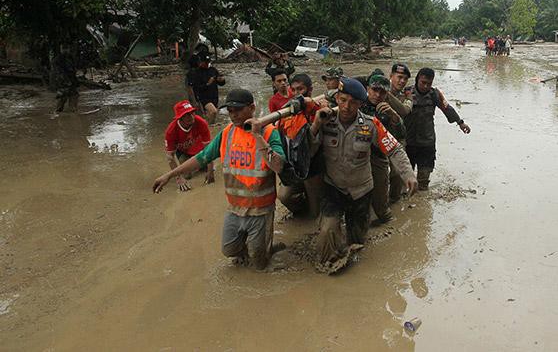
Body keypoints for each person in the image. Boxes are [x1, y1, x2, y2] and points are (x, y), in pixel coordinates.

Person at [152, 89, 286, 270]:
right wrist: (170, 175)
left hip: (260, 210)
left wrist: (257, 136)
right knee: (229, 250)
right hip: (234, 208)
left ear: (252, 108)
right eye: (230, 111)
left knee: (259, 264)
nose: (233, 115)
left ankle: (265, 250)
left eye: (237, 110)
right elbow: (202, 157)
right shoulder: (227, 134)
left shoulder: (269, 132)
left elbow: (279, 166)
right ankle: (260, 246)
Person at [311, 78, 417, 265]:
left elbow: (394, 149)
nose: (346, 107)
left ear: (360, 104)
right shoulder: (324, 121)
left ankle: (353, 264)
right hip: (333, 187)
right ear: (337, 98)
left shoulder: (371, 124)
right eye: (343, 100)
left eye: (352, 103)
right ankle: (327, 267)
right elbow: (307, 151)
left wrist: (408, 174)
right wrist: (315, 126)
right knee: (327, 231)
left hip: (360, 191)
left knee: (357, 239)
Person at [404, 68, 471, 190]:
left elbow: (447, 108)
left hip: (427, 143)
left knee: (423, 181)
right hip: (408, 142)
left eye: (428, 83)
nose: (425, 86)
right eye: (422, 82)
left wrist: (460, 123)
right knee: (405, 180)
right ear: (417, 80)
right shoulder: (406, 93)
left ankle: (422, 205)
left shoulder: (435, 94)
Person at [276, 74, 324, 220]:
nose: (297, 93)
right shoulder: (288, 112)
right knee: (284, 196)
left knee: (315, 211)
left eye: (300, 89)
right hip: (295, 165)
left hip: (314, 167)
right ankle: (301, 211)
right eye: (294, 90)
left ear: (310, 90)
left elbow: (315, 143)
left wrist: (310, 107)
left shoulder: (319, 109)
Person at [361, 75, 406, 226]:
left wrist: (394, 117)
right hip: (357, 156)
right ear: (368, 89)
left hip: (378, 156)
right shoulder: (357, 103)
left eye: (382, 92)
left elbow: (400, 136)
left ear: (387, 94)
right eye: (374, 90)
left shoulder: (387, 109)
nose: (377, 95)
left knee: (381, 203)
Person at [164, 100, 214, 191]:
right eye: (186, 115)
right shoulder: (171, 131)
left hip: (199, 150)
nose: (191, 116)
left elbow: (208, 148)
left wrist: (210, 171)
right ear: (180, 118)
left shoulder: (201, 122)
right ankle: (192, 165)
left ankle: (198, 165)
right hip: (183, 151)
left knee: (207, 169)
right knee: (186, 175)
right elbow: (170, 156)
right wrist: (179, 178)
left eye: (192, 113)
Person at [385, 63, 413, 203]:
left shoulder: (404, 95)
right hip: (380, 137)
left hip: (397, 137)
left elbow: (404, 111)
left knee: (396, 172)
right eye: (399, 77)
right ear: (391, 76)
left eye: (405, 79)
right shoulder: (379, 90)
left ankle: (394, 200)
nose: (402, 81)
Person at [185, 52, 225, 124]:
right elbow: (196, 88)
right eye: (205, 62)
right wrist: (207, 84)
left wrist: (221, 80)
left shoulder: (213, 70)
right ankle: (209, 128)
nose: (207, 64)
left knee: (210, 115)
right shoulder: (196, 73)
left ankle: (208, 127)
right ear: (200, 62)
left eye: (208, 62)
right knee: (213, 112)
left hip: (214, 97)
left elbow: (221, 83)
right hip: (203, 98)